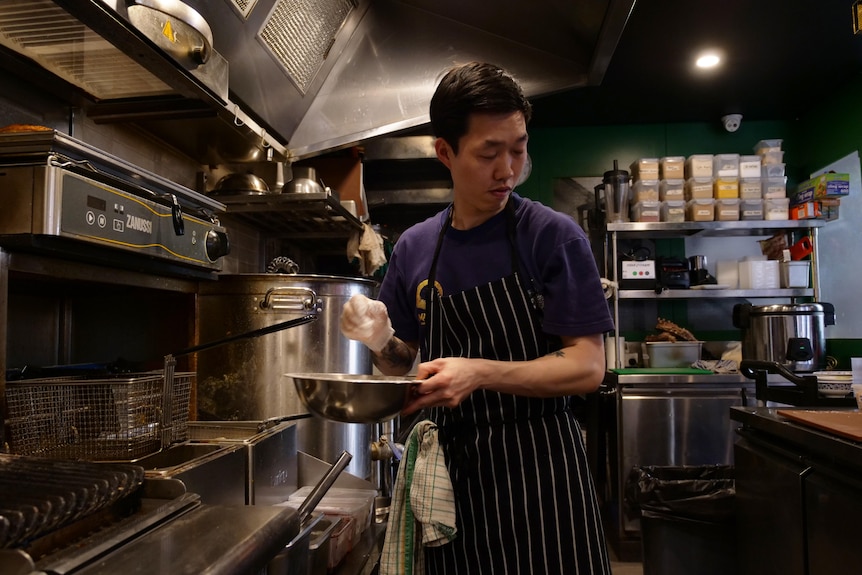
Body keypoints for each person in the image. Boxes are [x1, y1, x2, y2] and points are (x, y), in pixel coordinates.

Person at [340, 61, 614, 574]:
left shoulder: (551, 236)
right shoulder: (415, 248)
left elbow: (587, 366)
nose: (508, 169)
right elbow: (405, 370)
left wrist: (482, 372)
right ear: (445, 152)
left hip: (544, 476)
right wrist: (379, 340)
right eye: (489, 153)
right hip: (454, 483)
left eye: (518, 148)